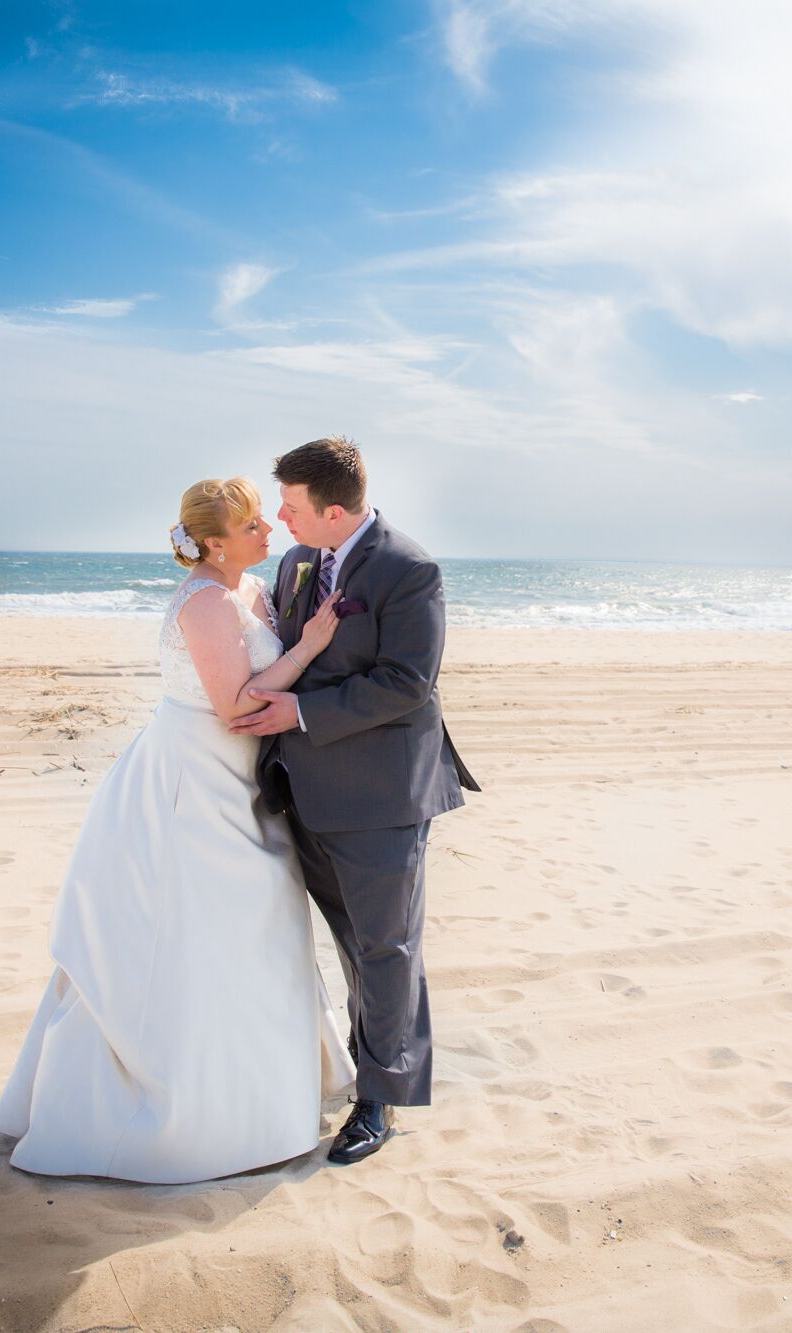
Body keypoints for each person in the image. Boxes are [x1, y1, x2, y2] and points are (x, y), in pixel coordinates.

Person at [0, 477, 356, 1183]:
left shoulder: (251, 589)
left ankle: (263, 1101)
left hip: (244, 783)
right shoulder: (207, 602)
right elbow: (236, 703)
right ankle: (182, 1119)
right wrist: (309, 644)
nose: (269, 532)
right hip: (193, 782)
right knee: (198, 934)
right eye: (254, 525)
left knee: (261, 931)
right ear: (215, 542)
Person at [230, 436, 480, 1166]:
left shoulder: (409, 568)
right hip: (303, 789)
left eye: (293, 506)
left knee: (387, 946)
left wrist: (299, 715)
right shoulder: (297, 559)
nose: (280, 517)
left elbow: (408, 682)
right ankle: (365, 1053)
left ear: (335, 510)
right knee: (349, 941)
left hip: (380, 792)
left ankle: (381, 1095)